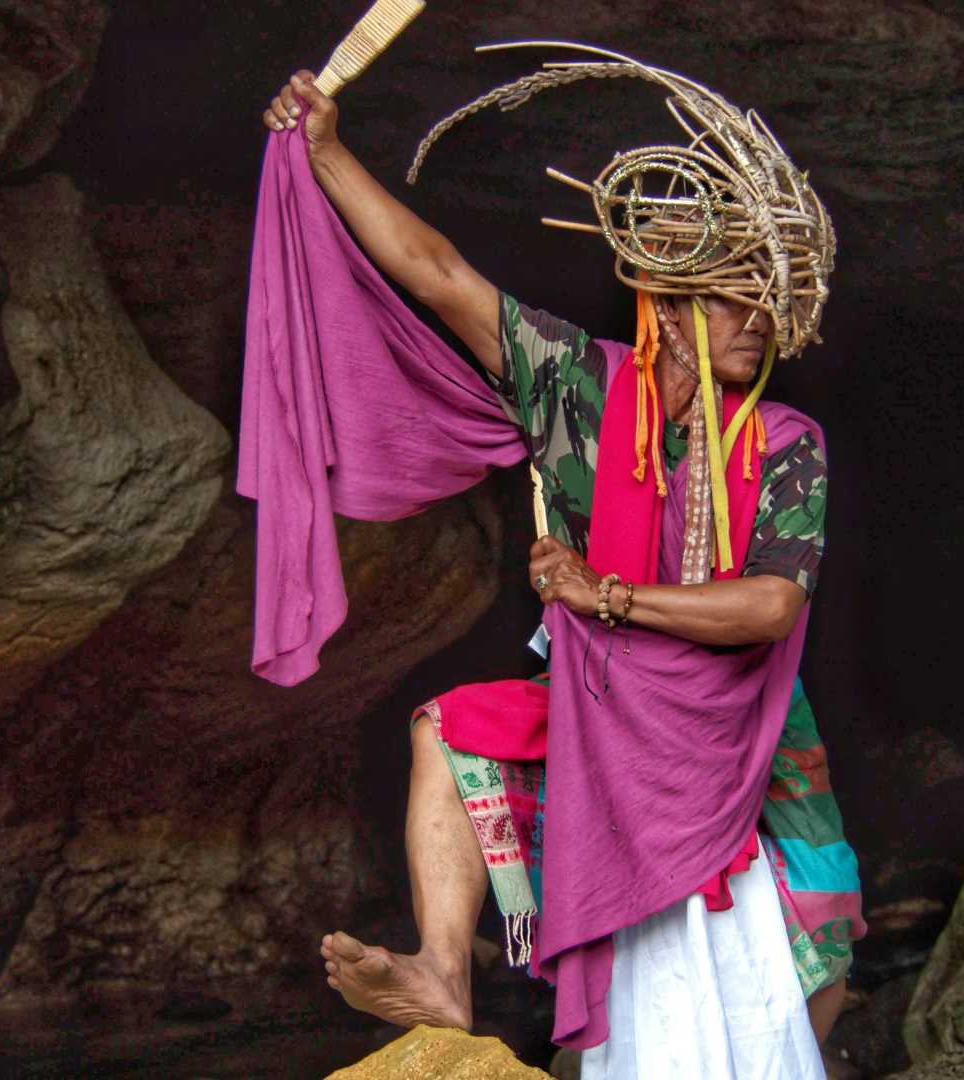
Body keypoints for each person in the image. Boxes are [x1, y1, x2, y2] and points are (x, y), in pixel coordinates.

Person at [259, 42, 866, 1077]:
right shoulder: (576, 386)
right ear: (669, 298)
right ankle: (445, 972)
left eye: (768, 301)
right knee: (445, 734)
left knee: (826, 937)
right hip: (603, 713)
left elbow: (769, 606)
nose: (757, 321)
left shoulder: (788, 440)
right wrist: (324, 151)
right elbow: (440, 275)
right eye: (733, 295)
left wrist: (608, 594)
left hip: (748, 724)